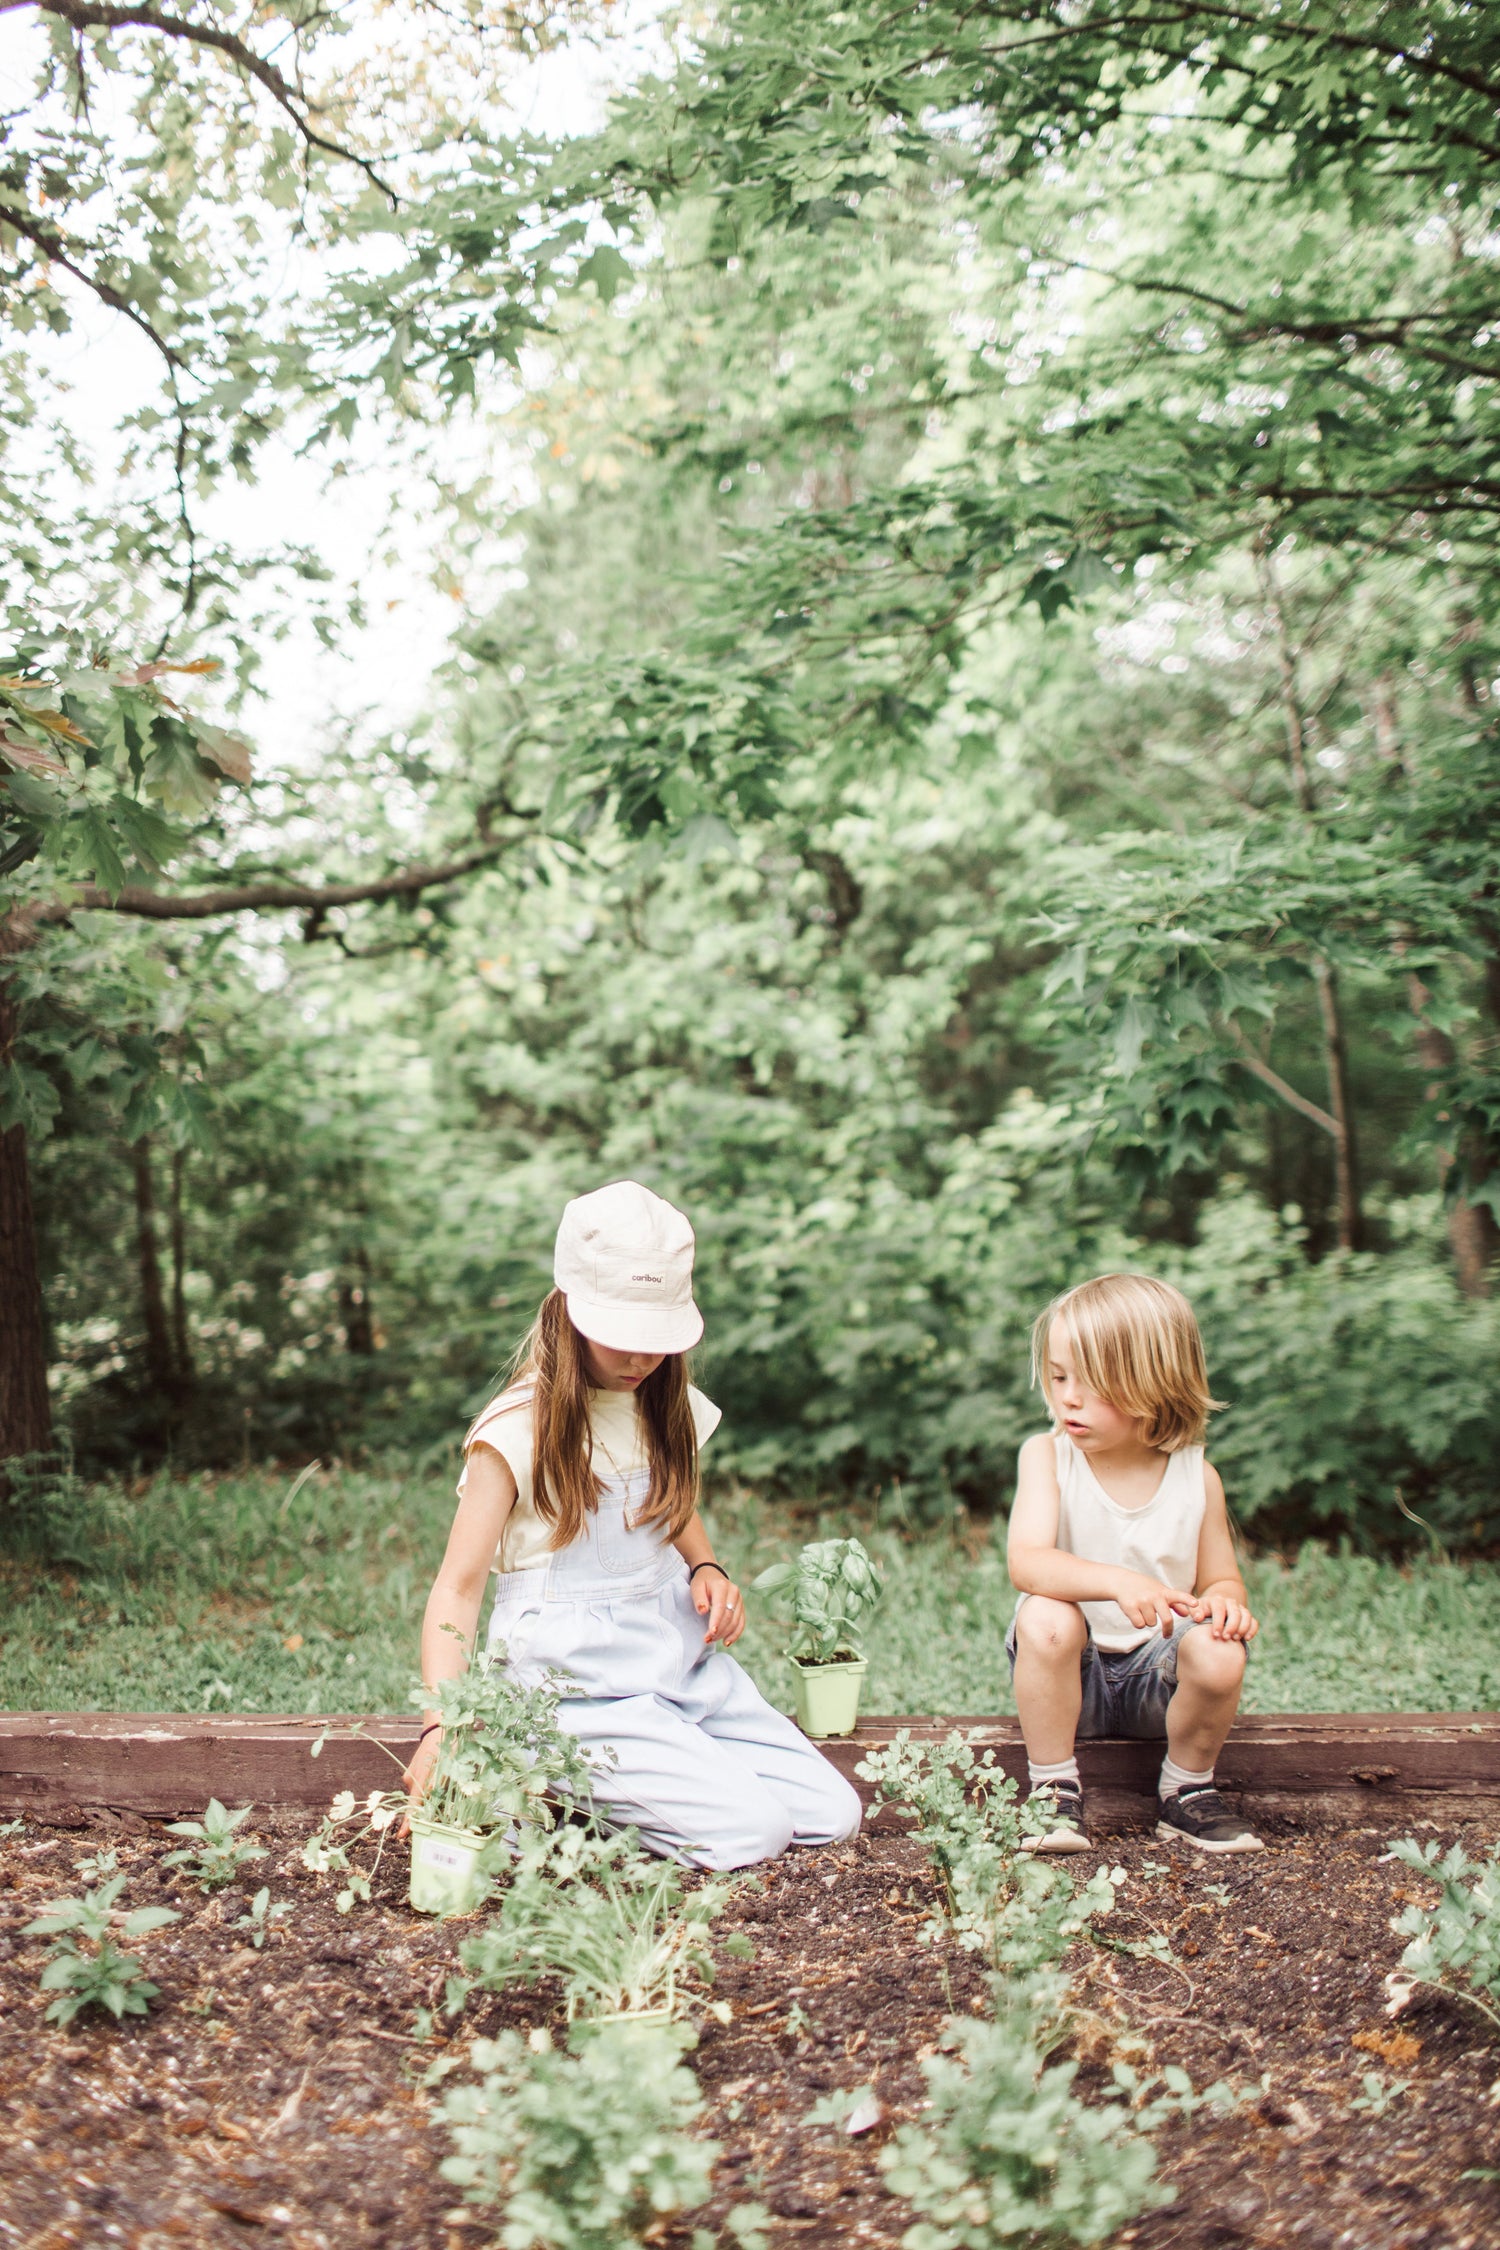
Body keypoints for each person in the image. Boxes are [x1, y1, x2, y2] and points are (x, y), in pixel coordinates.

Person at [403, 1179, 862, 1870]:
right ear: (567, 1311)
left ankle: (635, 1787)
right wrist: (441, 1725)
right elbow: (457, 1589)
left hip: (676, 1664)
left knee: (833, 1815)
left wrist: (705, 1566)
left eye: (656, 1339)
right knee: (751, 1834)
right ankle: (538, 1780)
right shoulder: (515, 1431)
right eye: (620, 1336)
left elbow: (665, 1502)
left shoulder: (658, 1403)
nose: (640, 1358)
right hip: (575, 1692)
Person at [1006, 1272, 1263, 1856]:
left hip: (1160, 1680)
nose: (1066, 1396)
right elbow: (1028, 1563)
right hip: (1074, 1674)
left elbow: (1221, 1578)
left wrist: (1225, 1605)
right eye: (1057, 1376)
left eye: (1089, 1383)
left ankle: (1187, 1792)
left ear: (1153, 1384)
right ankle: (1051, 1789)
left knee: (1222, 1651)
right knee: (1046, 1614)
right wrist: (1116, 1581)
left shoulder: (1197, 1477)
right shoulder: (1047, 1457)